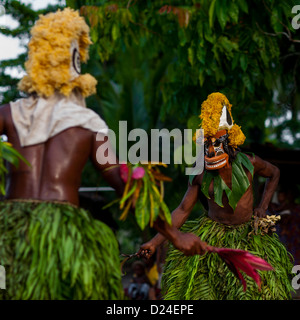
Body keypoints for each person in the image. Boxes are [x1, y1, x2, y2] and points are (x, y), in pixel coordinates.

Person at [0, 8, 206, 300]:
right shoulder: (88, 125)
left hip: (10, 232)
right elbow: (128, 187)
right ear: (75, 64)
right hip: (64, 238)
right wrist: (175, 236)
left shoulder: (8, 113)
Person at [139, 92, 294, 300]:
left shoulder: (250, 163)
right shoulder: (199, 173)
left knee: (257, 291)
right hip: (211, 236)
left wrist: (262, 207)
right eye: (207, 145)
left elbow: (274, 173)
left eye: (216, 143)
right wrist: (154, 243)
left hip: (248, 235)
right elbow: (182, 210)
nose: (211, 151)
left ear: (230, 143)